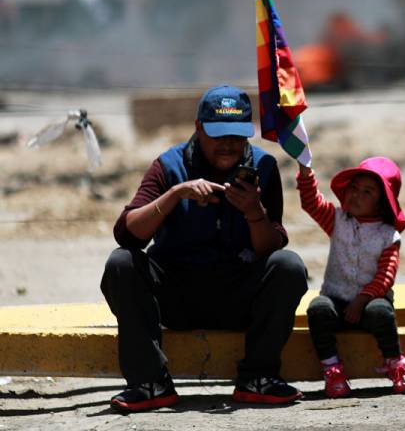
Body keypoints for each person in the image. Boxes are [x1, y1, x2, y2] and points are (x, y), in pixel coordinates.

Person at [101, 85, 308, 412]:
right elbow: (127, 234)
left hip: (237, 296)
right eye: (218, 135)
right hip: (177, 295)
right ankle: (150, 382)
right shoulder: (168, 166)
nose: (229, 145)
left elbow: (271, 249)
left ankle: (258, 378)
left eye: (237, 137)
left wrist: (254, 212)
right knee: (121, 264)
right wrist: (174, 196)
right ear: (198, 129)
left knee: (289, 265)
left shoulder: (264, 168)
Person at [295, 157, 405, 398]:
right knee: (318, 309)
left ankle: (395, 363)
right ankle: (333, 370)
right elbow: (311, 202)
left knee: (381, 313)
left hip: (370, 302)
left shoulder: (387, 235)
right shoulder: (337, 219)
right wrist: (305, 170)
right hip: (337, 300)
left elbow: (386, 276)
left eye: (367, 191)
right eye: (353, 188)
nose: (356, 195)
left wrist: (361, 300)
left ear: (383, 202)